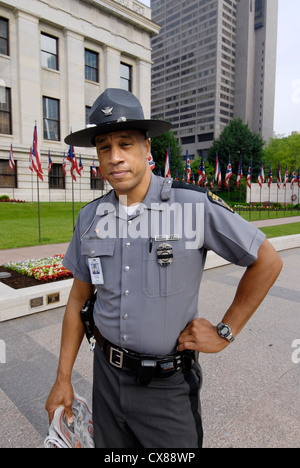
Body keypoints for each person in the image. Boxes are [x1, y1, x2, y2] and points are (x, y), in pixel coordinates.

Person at [45, 88, 283, 448]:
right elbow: (78, 300)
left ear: (147, 150)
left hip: (167, 387)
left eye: (125, 144)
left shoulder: (191, 205)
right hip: (106, 379)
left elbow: (267, 259)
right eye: (105, 147)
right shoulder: (90, 217)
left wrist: (225, 331)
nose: (115, 157)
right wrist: (63, 377)